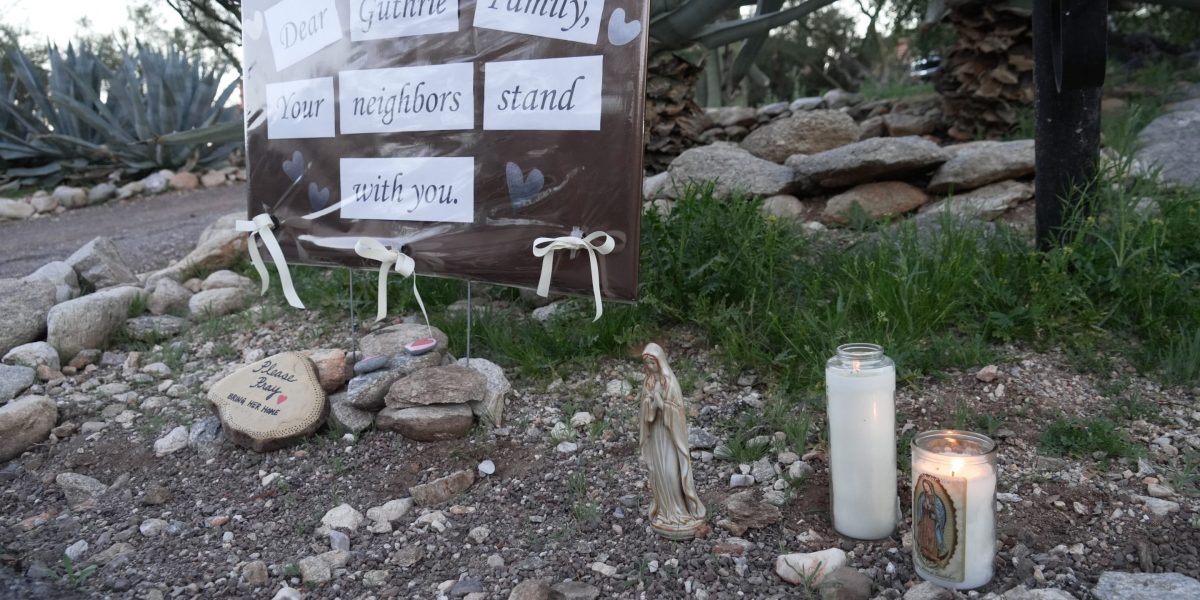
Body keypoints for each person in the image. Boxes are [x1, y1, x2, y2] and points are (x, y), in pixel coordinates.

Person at [638, 343, 706, 540]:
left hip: (670, 437)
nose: (650, 367)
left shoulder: (670, 381)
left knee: (671, 472)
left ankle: (680, 512)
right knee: (659, 474)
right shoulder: (649, 382)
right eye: (647, 363)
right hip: (655, 434)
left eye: (653, 362)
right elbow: (644, 411)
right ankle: (665, 513)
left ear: (660, 361)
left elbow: (677, 412)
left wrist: (661, 403)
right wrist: (650, 404)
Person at [916, 477, 948, 565]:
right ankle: (925, 554)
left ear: (930, 486)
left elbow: (939, 512)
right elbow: (919, 507)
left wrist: (930, 507)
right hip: (924, 519)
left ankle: (933, 555)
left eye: (927, 486)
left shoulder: (936, 499)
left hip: (931, 521)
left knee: (931, 537)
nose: (926, 488)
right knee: (924, 536)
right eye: (924, 486)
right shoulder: (923, 496)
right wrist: (923, 505)